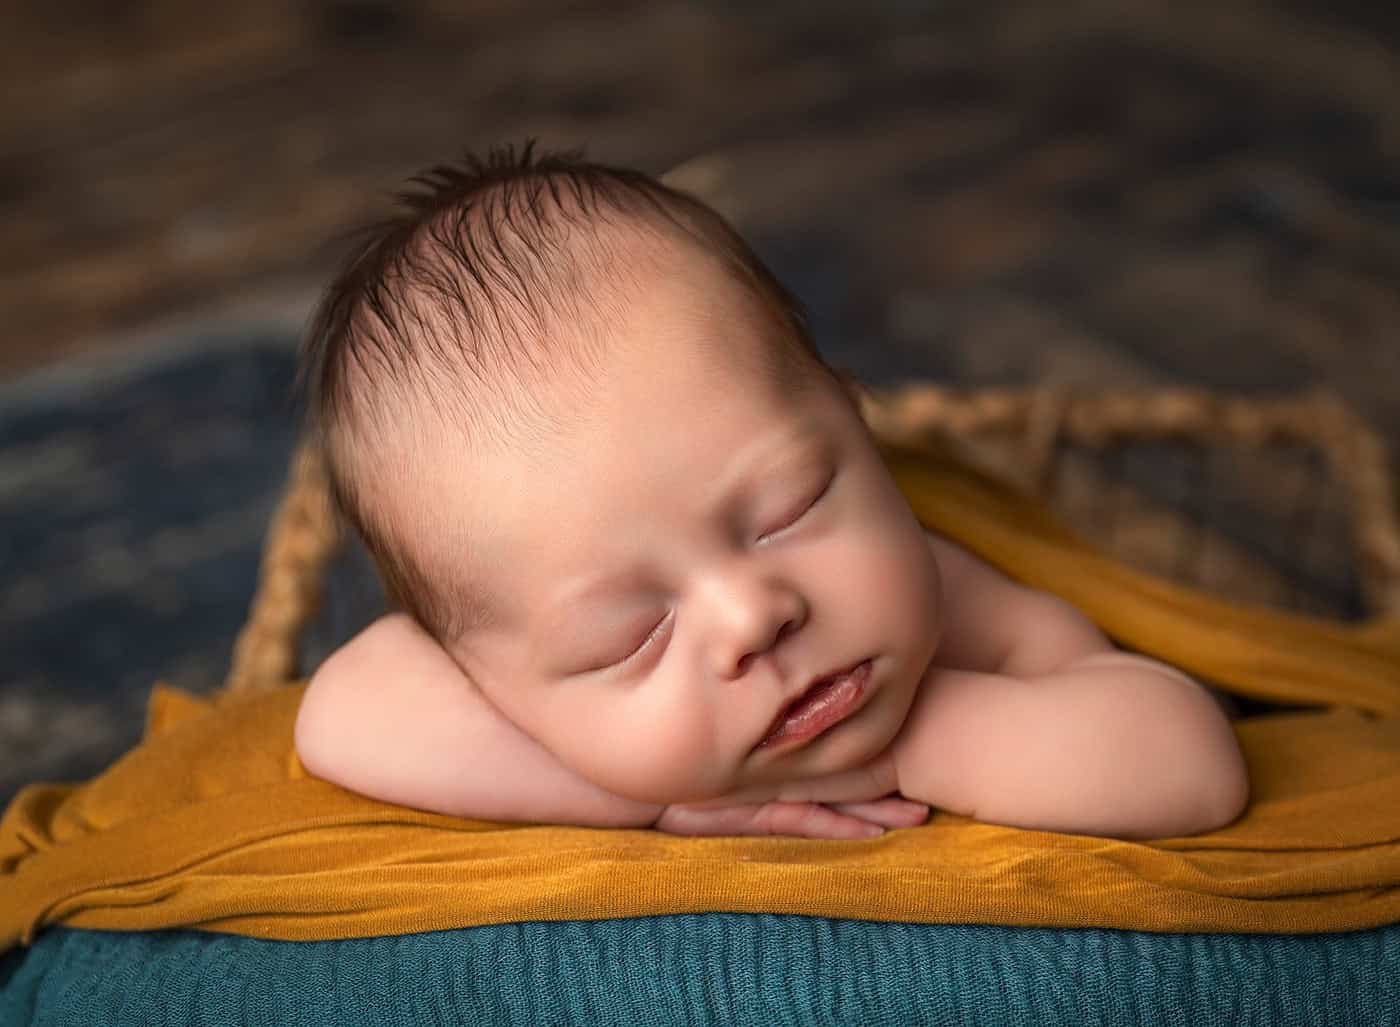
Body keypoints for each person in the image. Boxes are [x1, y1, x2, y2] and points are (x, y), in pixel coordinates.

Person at [293, 143, 1248, 842]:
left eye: (788, 509)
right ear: (484, 672)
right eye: (630, 636)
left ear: (855, 414)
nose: (750, 615)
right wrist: (657, 795)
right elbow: (342, 713)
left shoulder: (954, 608)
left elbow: (1188, 764)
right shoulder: (487, 682)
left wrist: (914, 741)